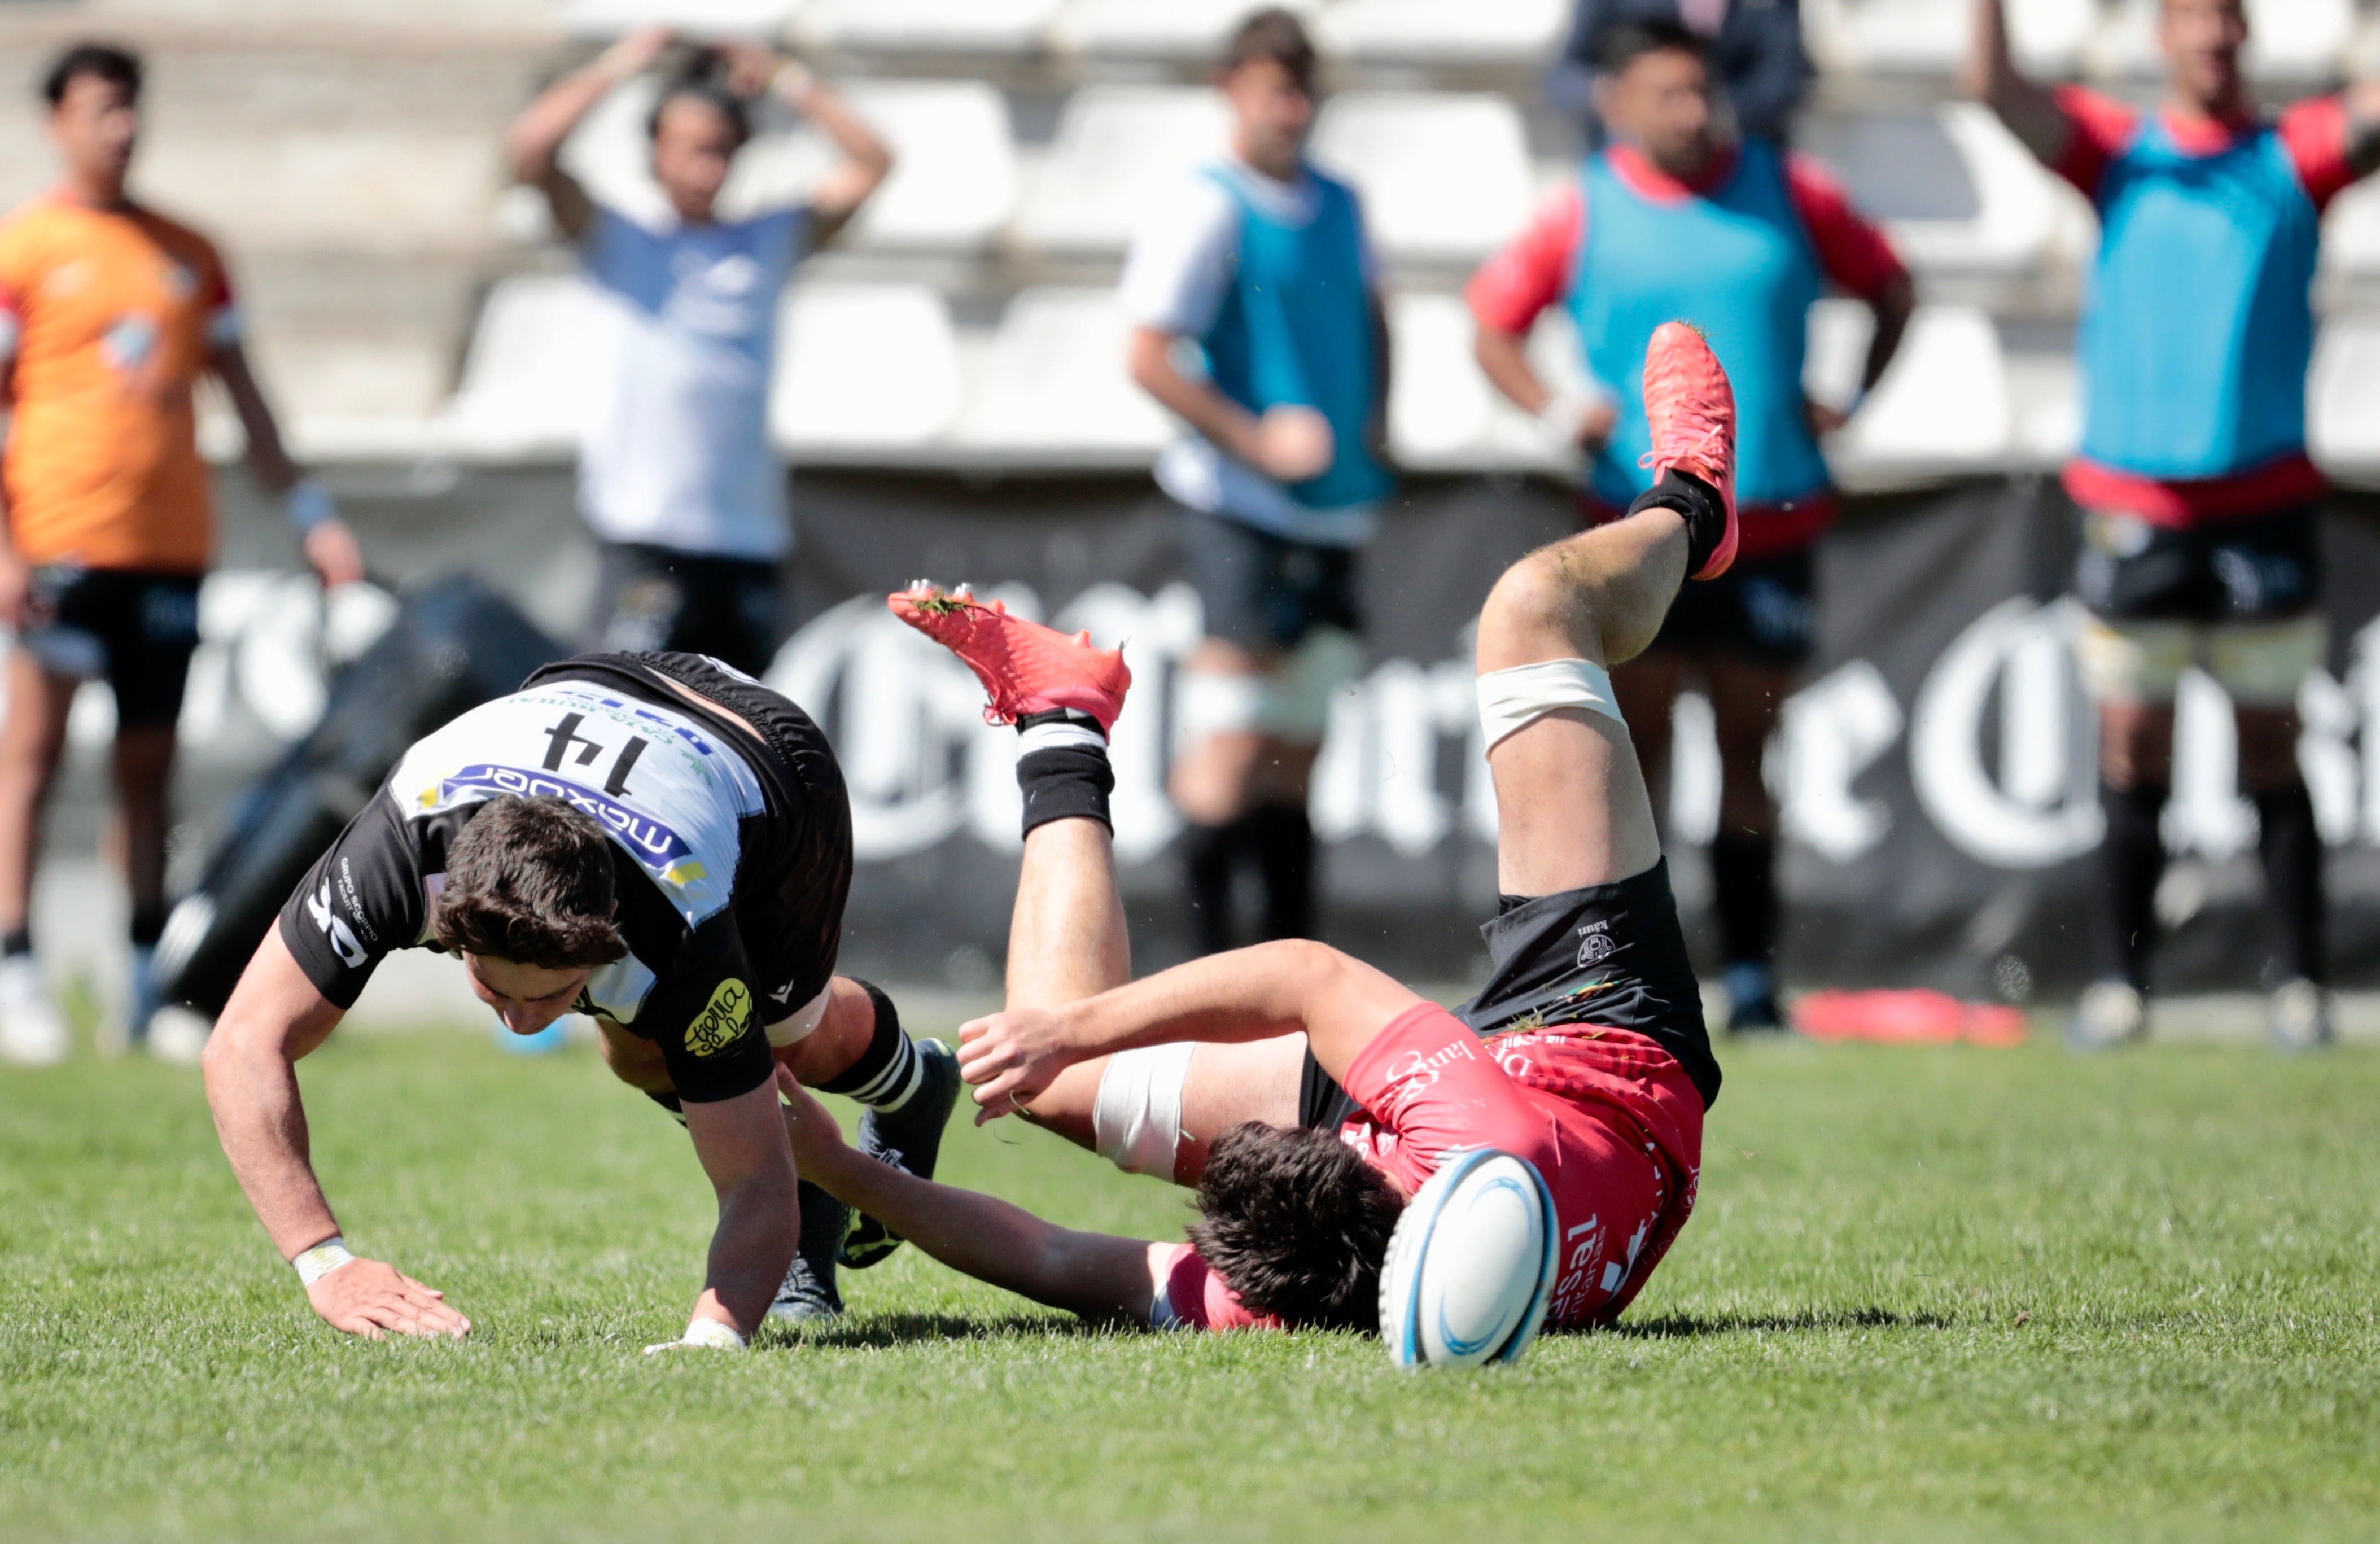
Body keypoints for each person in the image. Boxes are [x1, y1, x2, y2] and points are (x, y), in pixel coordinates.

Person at [793, 322, 1734, 1335]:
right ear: (1352, 1148)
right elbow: (1304, 977)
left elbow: (1057, 1258)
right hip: (1605, 1041)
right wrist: (1063, 1029)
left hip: (1499, 1168)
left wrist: (841, 1168)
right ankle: (1693, 499)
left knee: (1055, 1090)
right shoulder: (1476, 1135)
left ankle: (1060, 717)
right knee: (1534, 609)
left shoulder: (1294, 1293)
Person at [199, 650, 959, 1343]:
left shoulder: (677, 921)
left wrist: (712, 1341)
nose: (524, 1024)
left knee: (787, 1042)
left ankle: (911, 1084)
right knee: (639, 1052)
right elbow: (243, 1042)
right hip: (590, 689)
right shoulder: (400, 848)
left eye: (554, 993)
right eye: (492, 987)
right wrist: (324, 1261)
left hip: (767, 765)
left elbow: (753, 1181)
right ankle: (814, 1202)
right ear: (447, 920)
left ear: (610, 933)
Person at [1469, 19, 1913, 1033]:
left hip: (1772, 518)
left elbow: (1894, 285)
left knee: (1752, 751)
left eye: (1700, 90)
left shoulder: (1791, 189)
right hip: (1632, 529)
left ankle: (1753, 979)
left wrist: (1848, 394)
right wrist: (1554, 410)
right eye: (1667, 92)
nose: (1691, 110)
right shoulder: (1585, 209)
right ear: (1615, 101)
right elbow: (1490, 321)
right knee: (1642, 758)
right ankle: (1638, 979)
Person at [1965, 0, 2380, 1050]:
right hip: (2134, 506)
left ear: (2247, 34)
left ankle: (2300, 985)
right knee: (2131, 744)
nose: (2212, 36)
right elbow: (1997, 95)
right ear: (2163, 35)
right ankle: (2121, 986)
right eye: (2193, 18)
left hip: (2263, 504)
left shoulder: (2295, 153)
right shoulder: (2120, 153)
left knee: (2271, 747)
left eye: (2228, 18)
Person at [0, 43, 366, 1067]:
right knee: (28, 762)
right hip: (59, 544)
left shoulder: (188, 252)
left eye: (128, 108)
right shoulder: (25, 248)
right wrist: (8, 546)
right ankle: (16, 969)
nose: (117, 127)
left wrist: (312, 513)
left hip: (167, 551)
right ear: (57, 122)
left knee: (148, 771)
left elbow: (244, 394)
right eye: (97, 110)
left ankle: (147, 977)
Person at [1119, 8, 1393, 958]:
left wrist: (1377, 428)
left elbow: (1373, 317)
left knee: (1298, 750)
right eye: (1274, 83)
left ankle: (1289, 989)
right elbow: (1150, 355)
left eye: (1304, 83)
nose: (1293, 104)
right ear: (1229, 89)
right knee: (1230, 741)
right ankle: (1194, 978)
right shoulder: (1206, 204)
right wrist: (1252, 439)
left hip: (1334, 510)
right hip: (1242, 511)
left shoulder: (1342, 203)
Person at [507, 29, 891, 677]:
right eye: (690, 150)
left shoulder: (766, 241)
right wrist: (625, 62)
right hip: (644, 535)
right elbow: (532, 149)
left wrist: (782, 77)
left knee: (743, 743)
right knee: (616, 712)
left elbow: (872, 162)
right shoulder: (617, 239)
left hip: (747, 541)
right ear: (655, 151)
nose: (704, 170)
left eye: (719, 152)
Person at [1548, 0, 1811, 147]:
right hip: (1632, 173)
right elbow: (1565, 74)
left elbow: (1786, 76)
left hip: (1742, 168)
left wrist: (1709, 115)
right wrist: (1614, 98)